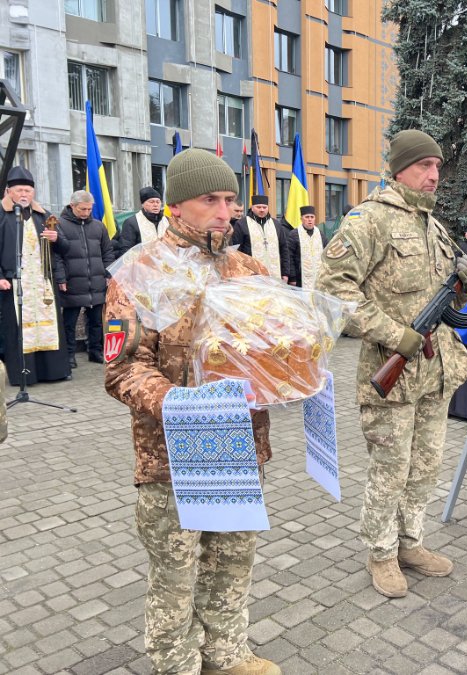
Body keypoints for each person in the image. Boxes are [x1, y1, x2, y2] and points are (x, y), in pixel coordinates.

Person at [104, 149, 281, 675]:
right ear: (177, 205)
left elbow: (272, 348)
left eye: (230, 200)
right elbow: (122, 370)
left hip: (239, 446)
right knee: (176, 573)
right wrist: (186, 404)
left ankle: (226, 653)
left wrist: (298, 369)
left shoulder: (248, 269)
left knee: (232, 559)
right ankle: (176, 663)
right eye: (211, 200)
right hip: (172, 455)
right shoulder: (138, 272)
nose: (226, 212)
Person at [316, 129, 467, 599]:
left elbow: (447, 298)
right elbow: (332, 291)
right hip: (393, 372)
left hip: (436, 370)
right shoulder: (369, 220)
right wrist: (394, 334)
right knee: (390, 468)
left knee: (425, 465)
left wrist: (466, 287)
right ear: (399, 169)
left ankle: (411, 543)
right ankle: (381, 552)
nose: (434, 175)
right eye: (424, 165)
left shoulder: (433, 226)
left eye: (437, 166)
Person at [0, 166, 71, 385]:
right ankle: (24, 375)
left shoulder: (44, 215)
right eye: (19, 190)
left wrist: (56, 239)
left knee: (48, 327)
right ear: (9, 192)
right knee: (19, 329)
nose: (24, 194)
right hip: (14, 283)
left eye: (28, 191)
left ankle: (53, 372)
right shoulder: (2, 215)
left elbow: (66, 247)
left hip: (43, 282)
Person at [54, 191, 115, 368]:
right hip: (72, 281)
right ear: (72, 206)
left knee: (96, 321)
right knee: (69, 323)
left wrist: (108, 273)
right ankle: (69, 355)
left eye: (89, 209)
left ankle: (95, 351)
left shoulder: (98, 226)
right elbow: (56, 256)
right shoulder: (59, 225)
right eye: (82, 209)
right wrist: (61, 278)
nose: (86, 212)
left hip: (96, 281)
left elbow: (107, 252)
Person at [230, 195, 290, 282]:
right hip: (251, 275)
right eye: (258, 207)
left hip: (275, 274)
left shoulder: (276, 224)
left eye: (264, 207)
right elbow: (236, 252)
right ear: (252, 208)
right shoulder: (241, 224)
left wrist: (285, 273)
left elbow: (284, 249)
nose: (262, 210)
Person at [114, 186, 169, 258]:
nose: (155, 205)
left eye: (158, 202)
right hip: (141, 263)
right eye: (151, 202)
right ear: (143, 204)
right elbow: (126, 250)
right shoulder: (132, 222)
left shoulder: (167, 221)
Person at [286, 205, 327, 289]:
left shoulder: (320, 234)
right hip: (300, 279)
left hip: (318, 277)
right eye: (307, 217)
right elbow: (289, 257)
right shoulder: (294, 234)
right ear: (301, 219)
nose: (310, 219)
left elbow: (327, 253)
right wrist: (292, 277)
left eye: (312, 217)